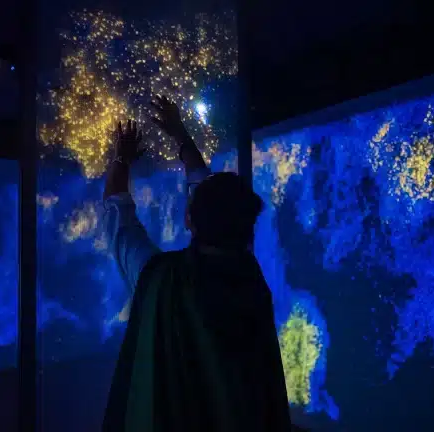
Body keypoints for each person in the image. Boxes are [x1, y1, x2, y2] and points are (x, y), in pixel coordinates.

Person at [101, 95, 292, 432]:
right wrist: (182, 137)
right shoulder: (250, 280)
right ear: (248, 227)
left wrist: (121, 159)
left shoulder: (159, 279)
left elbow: (119, 222)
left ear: (189, 219)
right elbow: (212, 198)